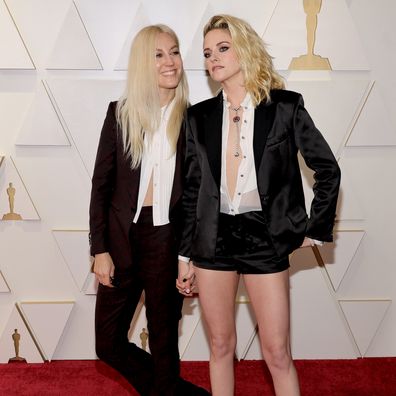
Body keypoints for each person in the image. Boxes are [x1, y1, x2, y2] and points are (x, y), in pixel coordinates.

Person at [177, 15, 341, 396]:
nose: (212, 58)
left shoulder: (285, 106)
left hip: (264, 237)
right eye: (206, 53)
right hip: (212, 240)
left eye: (222, 48)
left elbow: (327, 168)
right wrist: (185, 256)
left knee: (277, 351)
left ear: (244, 49)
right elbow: (191, 189)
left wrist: (314, 229)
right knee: (220, 347)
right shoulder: (198, 117)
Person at [89, 24, 210, 396]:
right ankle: (175, 392)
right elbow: (101, 185)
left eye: (174, 52)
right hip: (123, 237)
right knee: (107, 343)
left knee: (163, 339)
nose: (170, 62)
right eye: (159, 54)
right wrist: (99, 249)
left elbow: (196, 195)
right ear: (144, 61)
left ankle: (166, 387)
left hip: (167, 239)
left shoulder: (194, 119)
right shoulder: (120, 114)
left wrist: (188, 256)